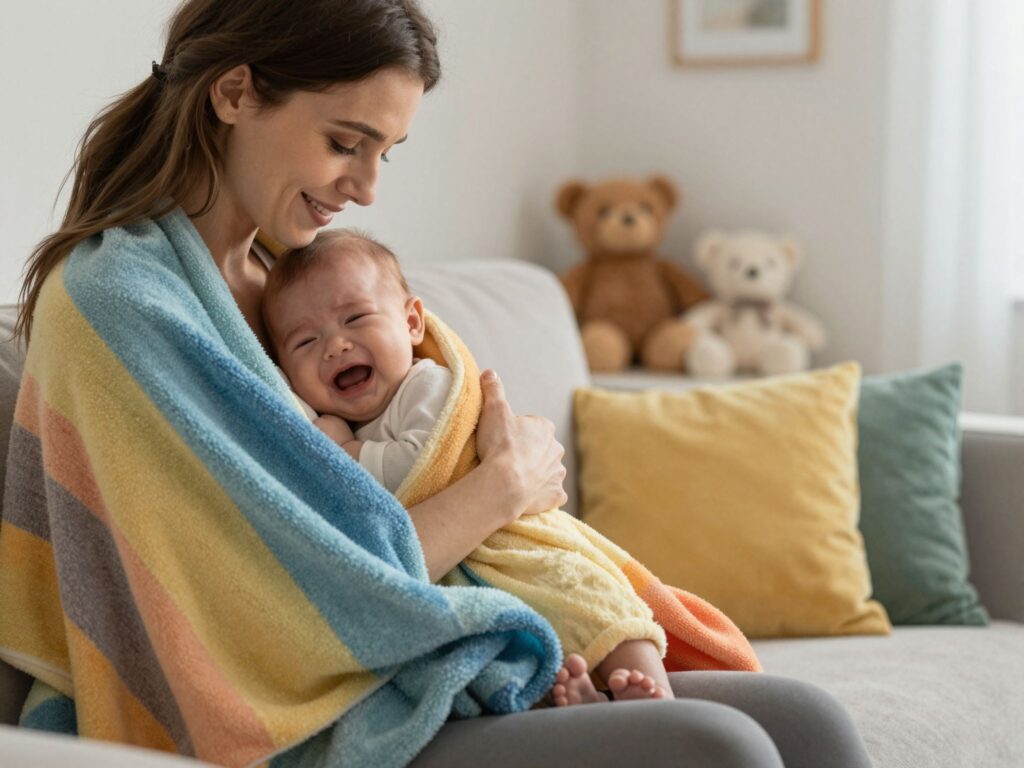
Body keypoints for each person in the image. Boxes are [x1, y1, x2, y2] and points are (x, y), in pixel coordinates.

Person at [0, 1, 874, 766]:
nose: (369, 188)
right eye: (346, 143)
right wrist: (503, 485)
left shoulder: (297, 280)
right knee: (718, 750)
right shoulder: (121, 304)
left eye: (386, 152)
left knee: (808, 721)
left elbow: (407, 457)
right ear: (235, 94)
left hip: (414, 640)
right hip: (305, 710)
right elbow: (284, 598)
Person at [261, 227, 674, 705]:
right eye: (306, 342)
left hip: (512, 544)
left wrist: (346, 454)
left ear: (412, 322)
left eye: (355, 318)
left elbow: (416, 466)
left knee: (586, 590)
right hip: (449, 569)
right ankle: (571, 696)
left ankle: (647, 684)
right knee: (492, 640)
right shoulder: (329, 424)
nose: (335, 346)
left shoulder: (427, 386)